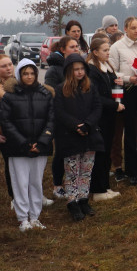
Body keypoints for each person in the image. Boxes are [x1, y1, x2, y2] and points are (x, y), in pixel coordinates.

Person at [0, 59, 54, 231]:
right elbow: (6, 122)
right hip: (18, 148)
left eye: (32, 73)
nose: (29, 77)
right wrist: (23, 143)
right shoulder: (10, 96)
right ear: (19, 75)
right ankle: (23, 218)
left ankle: (35, 216)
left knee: (36, 182)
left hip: (40, 146)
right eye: (25, 74)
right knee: (20, 183)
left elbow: (51, 120)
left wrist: (43, 141)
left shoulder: (45, 94)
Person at [53, 54, 102, 221]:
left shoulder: (91, 87)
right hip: (70, 137)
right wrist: (76, 126)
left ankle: (83, 199)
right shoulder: (61, 89)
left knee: (86, 170)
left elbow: (97, 107)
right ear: (69, 71)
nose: (80, 72)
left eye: (82, 69)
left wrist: (88, 124)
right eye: (76, 70)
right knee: (72, 171)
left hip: (89, 135)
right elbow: (60, 112)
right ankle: (72, 202)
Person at [110, 16, 137, 184]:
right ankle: (131, 171)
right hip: (128, 91)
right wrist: (129, 78)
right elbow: (113, 73)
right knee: (130, 131)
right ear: (126, 28)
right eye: (133, 28)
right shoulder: (117, 47)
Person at [86, 35, 122, 201]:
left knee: (106, 151)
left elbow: (110, 85)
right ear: (95, 52)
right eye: (105, 50)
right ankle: (98, 190)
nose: (108, 53)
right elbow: (96, 96)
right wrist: (114, 105)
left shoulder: (106, 66)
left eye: (108, 50)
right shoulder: (92, 70)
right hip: (100, 117)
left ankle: (105, 186)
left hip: (109, 116)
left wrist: (118, 81)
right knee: (100, 153)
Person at [45, 35, 82, 199]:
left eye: (77, 46)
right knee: (61, 152)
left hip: (77, 115)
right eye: (72, 47)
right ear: (63, 49)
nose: (76, 49)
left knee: (76, 151)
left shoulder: (78, 67)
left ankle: (74, 182)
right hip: (61, 118)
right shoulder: (54, 70)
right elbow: (51, 93)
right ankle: (57, 185)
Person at [0, 53, 18, 202]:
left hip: (19, 130)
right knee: (11, 165)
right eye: (3, 66)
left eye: (10, 64)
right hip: (4, 131)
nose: (8, 68)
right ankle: (14, 197)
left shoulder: (14, 82)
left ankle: (27, 194)